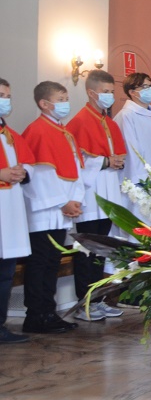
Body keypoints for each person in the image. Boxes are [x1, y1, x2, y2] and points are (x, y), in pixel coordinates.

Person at [19, 82, 83, 334]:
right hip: (44, 209)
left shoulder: (63, 131)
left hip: (61, 209)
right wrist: (62, 202)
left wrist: (75, 199)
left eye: (66, 98)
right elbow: (40, 175)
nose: (66, 103)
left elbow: (75, 168)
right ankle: (35, 315)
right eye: (60, 99)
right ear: (44, 104)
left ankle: (49, 311)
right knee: (39, 262)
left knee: (52, 262)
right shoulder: (37, 131)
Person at [66, 70, 127, 322]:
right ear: (91, 93)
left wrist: (116, 161)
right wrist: (105, 161)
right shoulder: (80, 121)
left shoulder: (108, 122)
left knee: (102, 248)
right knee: (87, 250)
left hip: (108, 191)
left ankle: (98, 300)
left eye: (112, 92)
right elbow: (76, 160)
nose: (109, 96)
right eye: (105, 92)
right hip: (90, 193)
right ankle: (84, 303)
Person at [114, 72, 151, 223]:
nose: (150, 90)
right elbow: (131, 150)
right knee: (140, 224)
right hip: (139, 183)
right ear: (132, 92)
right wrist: (144, 182)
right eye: (145, 87)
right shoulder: (126, 116)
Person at [0, 78, 33, 343]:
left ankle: (1, 325)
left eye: (8, 96)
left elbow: (27, 162)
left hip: (9, 209)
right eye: (1, 95)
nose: (6, 101)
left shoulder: (9, 134)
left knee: (6, 271)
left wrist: (22, 172)